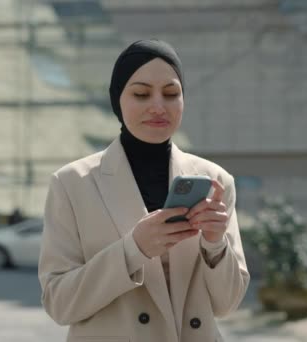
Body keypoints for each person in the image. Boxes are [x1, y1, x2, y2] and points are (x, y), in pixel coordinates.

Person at [38, 39, 250, 342]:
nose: (158, 106)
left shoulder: (215, 180)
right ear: (117, 100)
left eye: (171, 93)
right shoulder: (72, 183)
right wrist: (134, 249)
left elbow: (226, 304)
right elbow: (59, 303)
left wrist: (215, 246)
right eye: (141, 93)